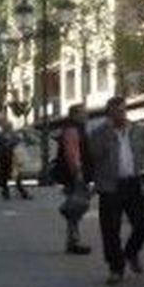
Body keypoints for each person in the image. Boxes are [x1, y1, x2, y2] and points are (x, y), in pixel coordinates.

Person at [88, 95, 144, 284]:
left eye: (123, 110)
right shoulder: (99, 132)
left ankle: (131, 253)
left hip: (134, 182)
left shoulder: (138, 131)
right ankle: (116, 268)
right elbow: (94, 154)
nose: (121, 114)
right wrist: (109, 133)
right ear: (109, 113)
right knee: (110, 229)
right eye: (117, 111)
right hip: (110, 185)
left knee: (143, 222)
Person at [53, 104, 93, 255]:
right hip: (74, 175)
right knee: (76, 207)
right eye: (84, 113)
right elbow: (72, 153)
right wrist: (78, 173)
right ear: (75, 115)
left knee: (75, 207)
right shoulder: (72, 130)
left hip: (73, 175)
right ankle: (74, 241)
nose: (86, 115)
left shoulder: (76, 128)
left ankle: (73, 241)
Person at [0, 118, 31, 201]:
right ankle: (7, 192)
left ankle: (22, 193)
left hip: (14, 159)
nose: (9, 128)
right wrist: (5, 147)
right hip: (4, 158)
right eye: (7, 126)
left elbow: (19, 144)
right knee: (4, 177)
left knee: (17, 177)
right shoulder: (0, 136)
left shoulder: (14, 136)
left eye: (9, 126)